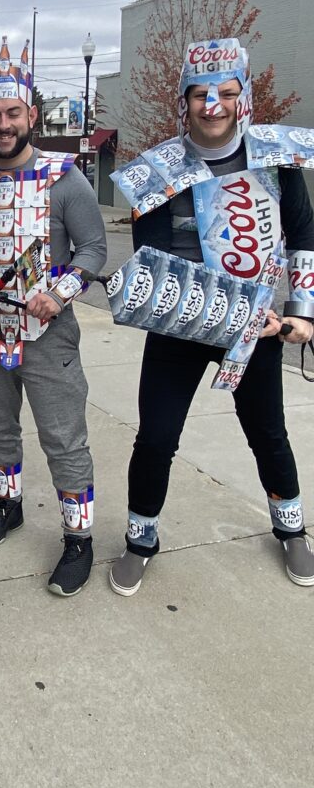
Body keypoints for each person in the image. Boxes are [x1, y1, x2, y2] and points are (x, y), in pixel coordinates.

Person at [109, 38, 314, 596]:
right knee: (156, 436)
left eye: (226, 92)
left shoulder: (276, 159)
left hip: (256, 331)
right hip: (180, 330)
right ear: (185, 100)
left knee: (268, 432)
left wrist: (300, 314)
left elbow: (303, 237)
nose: (213, 105)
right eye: (200, 93)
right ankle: (140, 539)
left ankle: (291, 528)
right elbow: (151, 260)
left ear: (243, 96)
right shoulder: (158, 172)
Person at [0, 37, 107, 596]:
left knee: (63, 437)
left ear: (31, 115)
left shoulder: (64, 177)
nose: (4, 124)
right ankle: (8, 505)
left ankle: (78, 538)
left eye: (13, 113)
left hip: (47, 333)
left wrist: (59, 293)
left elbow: (93, 250)